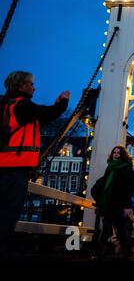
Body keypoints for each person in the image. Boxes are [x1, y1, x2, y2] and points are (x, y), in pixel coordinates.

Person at [0, 71, 69, 257]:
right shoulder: (21, 105)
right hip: (13, 168)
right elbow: (47, 113)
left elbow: (41, 117)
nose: (34, 87)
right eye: (31, 84)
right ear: (21, 85)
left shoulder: (9, 105)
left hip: (8, 167)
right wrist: (63, 102)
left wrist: (54, 107)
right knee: (8, 213)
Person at [91, 146, 134, 259]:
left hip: (118, 202)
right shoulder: (110, 167)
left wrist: (127, 205)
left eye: (118, 153)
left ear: (122, 155)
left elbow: (128, 187)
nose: (115, 154)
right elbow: (105, 181)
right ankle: (127, 250)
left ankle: (99, 251)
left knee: (109, 227)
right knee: (118, 228)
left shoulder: (126, 167)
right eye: (114, 152)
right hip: (109, 201)